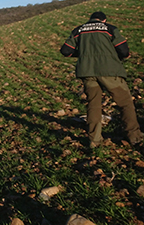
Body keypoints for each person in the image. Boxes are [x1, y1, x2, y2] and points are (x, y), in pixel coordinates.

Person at [60, 11, 143, 148]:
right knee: (125, 103)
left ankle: (94, 140)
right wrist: (122, 56)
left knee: (94, 105)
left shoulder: (78, 30)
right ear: (103, 20)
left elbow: (65, 51)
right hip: (110, 71)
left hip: (87, 72)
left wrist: (82, 54)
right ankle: (134, 136)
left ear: (90, 19)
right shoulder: (110, 29)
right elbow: (123, 50)